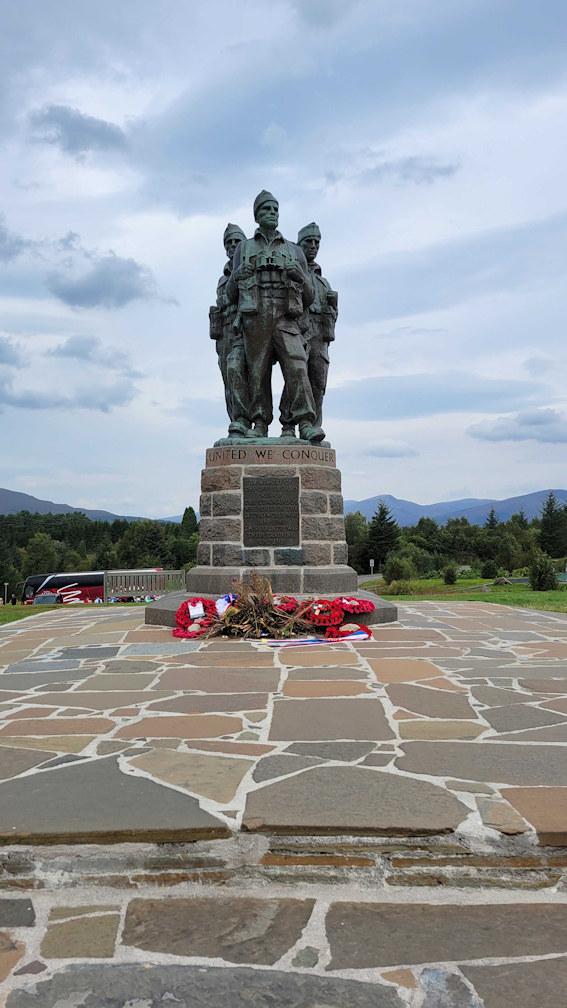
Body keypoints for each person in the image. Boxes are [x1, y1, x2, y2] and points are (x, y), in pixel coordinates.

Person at [227, 191, 325, 442]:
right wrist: (237, 276)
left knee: (297, 365)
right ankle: (259, 423)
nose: (272, 213)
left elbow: (310, 296)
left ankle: (305, 422)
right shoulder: (244, 248)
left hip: (285, 317)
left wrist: (299, 276)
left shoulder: (294, 250)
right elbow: (230, 295)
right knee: (257, 372)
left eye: (275, 209)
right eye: (266, 209)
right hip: (255, 315)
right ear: (256, 215)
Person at [280, 222, 337, 434]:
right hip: (299, 331)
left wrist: (332, 310)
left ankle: (314, 426)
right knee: (296, 376)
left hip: (320, 336)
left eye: (316, 242)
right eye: (308, 242)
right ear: (299, 245)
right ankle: (288, 424)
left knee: (318, 382)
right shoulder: (292, 272)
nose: (313, 246)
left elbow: (334, 313)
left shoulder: (323, 282)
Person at [210, 224, 252, 437]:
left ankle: (247, 420)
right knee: (229, 380)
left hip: (244, 329)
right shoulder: (222, 278)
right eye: (229, 243)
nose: (233, 246)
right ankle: (236, 423)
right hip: (224, 332)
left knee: (241, 371)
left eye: (237, 241)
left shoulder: (248, 269)